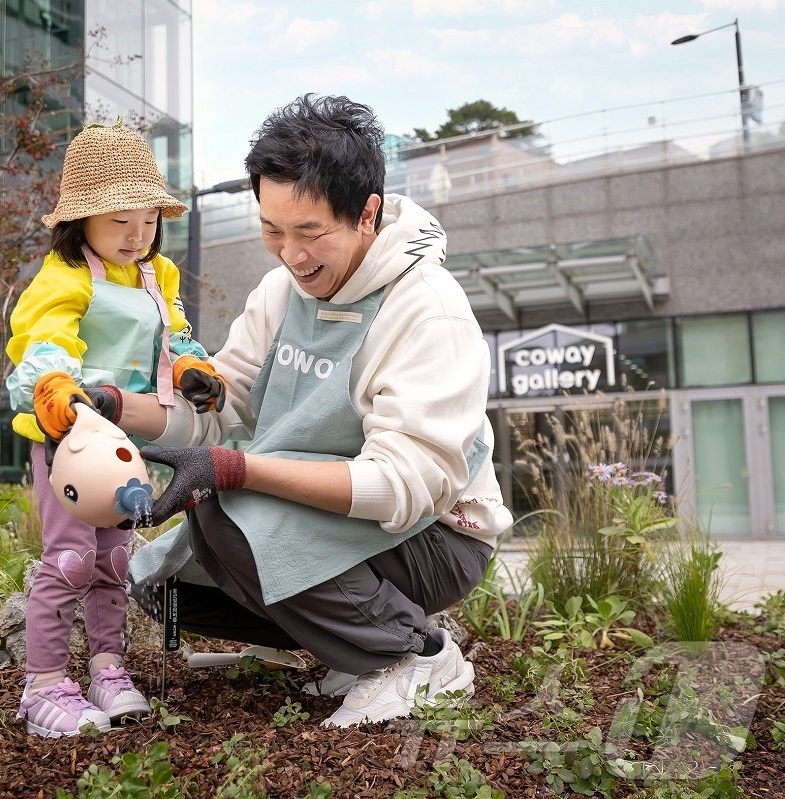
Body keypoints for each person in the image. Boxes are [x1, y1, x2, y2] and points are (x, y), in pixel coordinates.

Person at [94, 95, 514, 729]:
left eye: (310, 231)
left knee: (227, 510)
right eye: (272, 230)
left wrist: (238, 472)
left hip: (436, 540)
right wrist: (112, 406)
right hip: (325, 523)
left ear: (367, 213)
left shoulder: (427, 312)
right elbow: (221, 405)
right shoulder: (281, 292)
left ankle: (414, 655)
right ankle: (351, 647)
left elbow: (406, 487)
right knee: (167, 585)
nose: (290, 254)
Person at [5, 121, 227, 738]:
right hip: (69, 436)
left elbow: (173, 335)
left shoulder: (159, 276)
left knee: (114, 558)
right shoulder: (62, 279)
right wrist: (56, 390)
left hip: (123, 435)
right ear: (82, 223)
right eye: (119, 222)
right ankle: (44, 685)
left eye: (148, 220)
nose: (137, 236)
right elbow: (44, 345)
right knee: (72, 557)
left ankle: (108, 668)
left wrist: (191, 370)